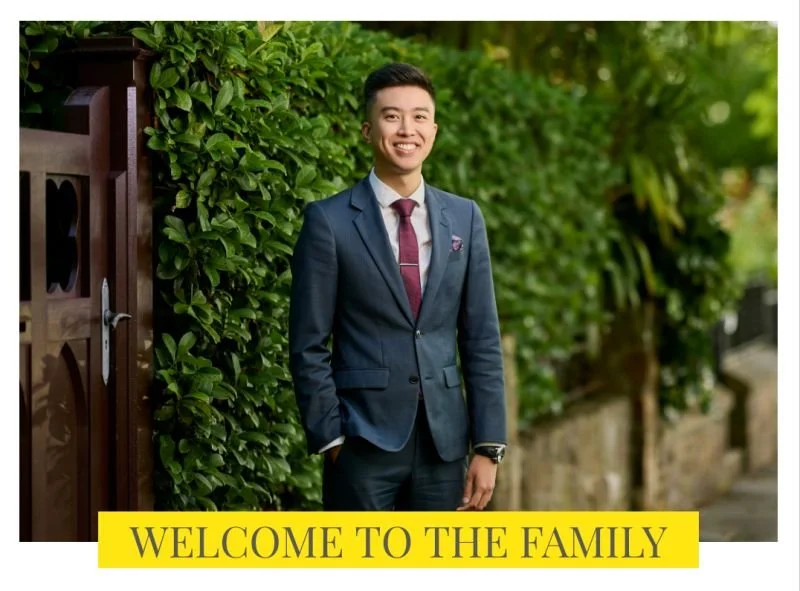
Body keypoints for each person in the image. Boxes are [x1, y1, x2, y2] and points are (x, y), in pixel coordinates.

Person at [289, 62, 507, 511]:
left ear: (434, 130)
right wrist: (331, 437)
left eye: (419, 116)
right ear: (368, 130)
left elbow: (481, 337)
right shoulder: (328, 221)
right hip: (361, 444)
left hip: (445, 445)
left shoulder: (465, 217)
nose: (407, 129)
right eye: (392, 116)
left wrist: (488, 445)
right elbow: (308, 342)